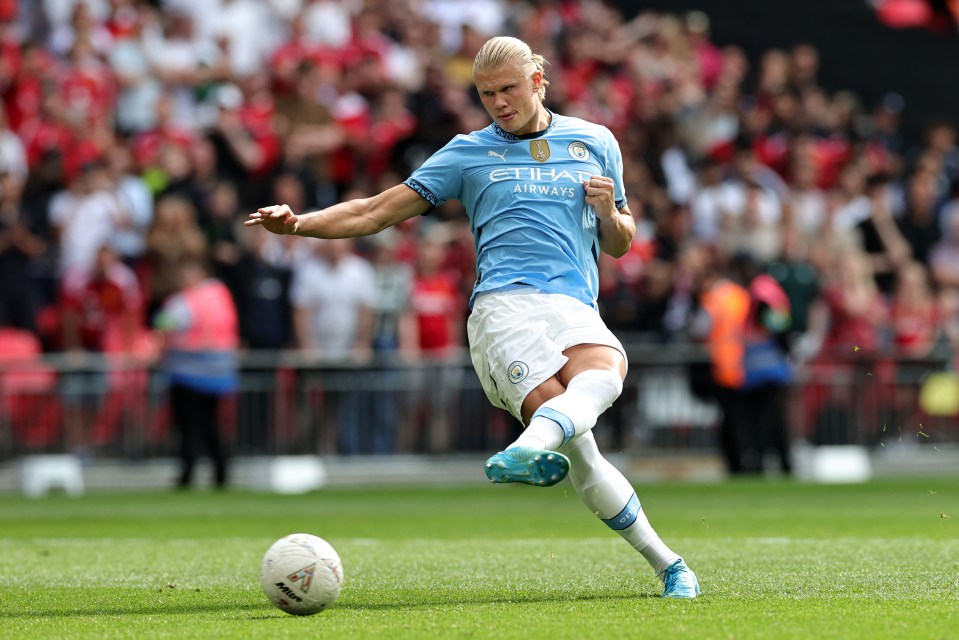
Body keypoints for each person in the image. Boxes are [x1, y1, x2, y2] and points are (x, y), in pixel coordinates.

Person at [246, 36, 699, 598]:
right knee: (578, 434)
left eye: (508, 88)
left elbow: (622, 242)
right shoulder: (467, 152)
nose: (498, 103)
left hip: (574, 304)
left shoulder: (595, 141)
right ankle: (668, 563)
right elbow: (374, 212)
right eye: (486, 94)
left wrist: (609, 212)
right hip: (503, 308)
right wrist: (297, 224)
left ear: (537, 79)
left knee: (602, 379)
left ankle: (534, 458)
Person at [153, 258, 239, 489]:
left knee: (189, 427)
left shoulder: (183, 301)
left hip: (187, 371)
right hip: (219, 371)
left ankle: (187, 474)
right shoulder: (221, 294)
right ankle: (221, 472)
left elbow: (166, 323)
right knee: (210, 425)